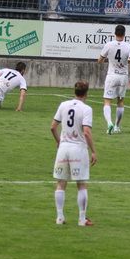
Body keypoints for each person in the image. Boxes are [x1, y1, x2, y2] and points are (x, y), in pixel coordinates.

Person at [51, 80, 97, 226]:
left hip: (63, 149)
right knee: (81, 184)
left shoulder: (63, 105)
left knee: (61, 183)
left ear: (74, 92)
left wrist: (59, 141)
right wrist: (93, 151)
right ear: (86, 93)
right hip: (78, 149)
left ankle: (60, 217)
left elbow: (53, 127)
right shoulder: (86, 109)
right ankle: (82, 219)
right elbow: (86, 132)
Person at [98, 24, 130, 134]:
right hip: (123, 77)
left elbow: (99, 60)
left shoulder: (109, 45)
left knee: (107, 101)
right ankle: (116, 127)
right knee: (120, 101)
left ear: (115, 33)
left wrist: (106, 59)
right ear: (124, 34)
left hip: (112, 76)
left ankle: (109, 123)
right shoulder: (129, 46)